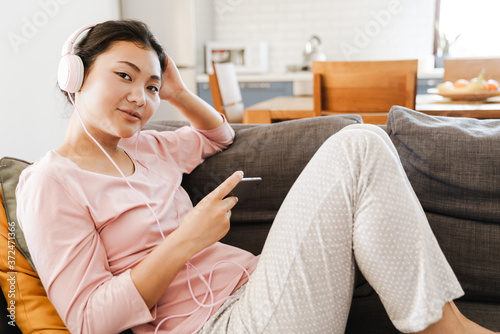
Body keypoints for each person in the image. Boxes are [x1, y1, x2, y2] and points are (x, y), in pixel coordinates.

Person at [16, 19, 496, 334]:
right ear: (74, 76)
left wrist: (179, 94)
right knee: (358, 145)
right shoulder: (47, 184)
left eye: (151, 85)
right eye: (125, 76)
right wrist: (185, 240)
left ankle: (449, 326)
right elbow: (87, 321)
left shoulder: (149, 147)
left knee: (364, 144)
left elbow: (218, 135)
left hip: (257, 287)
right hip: (219, 325)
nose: (141, 97)